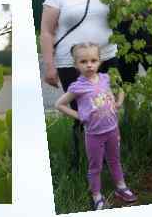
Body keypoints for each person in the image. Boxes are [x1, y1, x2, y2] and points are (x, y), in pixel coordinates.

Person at [55, 42, 137, 210]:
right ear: (75, 64)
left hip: (113, 130)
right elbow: (59, 104)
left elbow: (121, 88)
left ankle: (121, 187)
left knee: (115, 160)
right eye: (83, 61)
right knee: (95, 166)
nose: (89, 65)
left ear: (100, 61)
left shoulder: (106, 78)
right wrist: (80, 116)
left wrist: (119, 102)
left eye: (93, 60)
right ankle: (96, 195)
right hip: (94, 134)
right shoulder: (77, 87)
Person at [40, 0, 118, 91]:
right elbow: (46, 32)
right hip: (71, 64)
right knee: (80, 108)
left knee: (107, 107)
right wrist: (50, 66)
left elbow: (126, 16)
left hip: (106, 59)